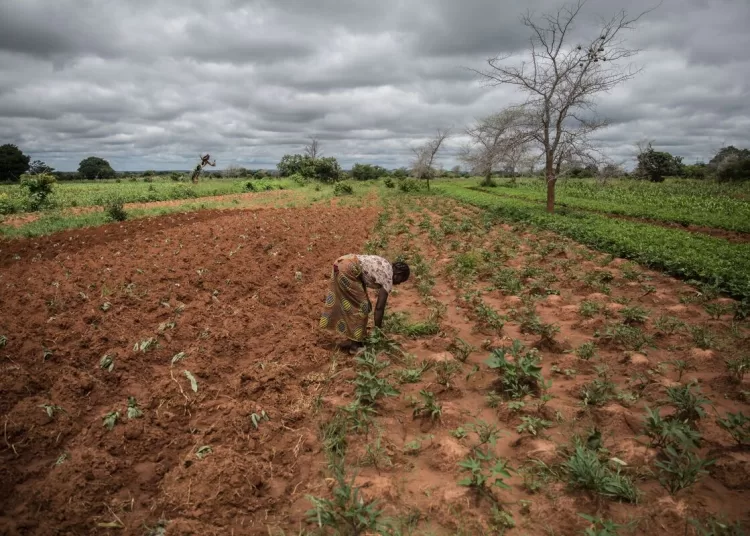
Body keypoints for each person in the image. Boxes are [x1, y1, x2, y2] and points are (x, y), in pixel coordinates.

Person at [319, 254, 410, 353]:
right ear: (398, 274)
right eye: (401, 280)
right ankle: (355, 346)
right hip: (348, 269)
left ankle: (353, 339)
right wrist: (378, 331)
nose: (399, 283)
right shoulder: (388, 278)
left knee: (353, 304)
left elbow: (363, 274)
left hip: (342, 262)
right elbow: (379, 308)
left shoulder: (385, 264)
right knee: (362, 307)